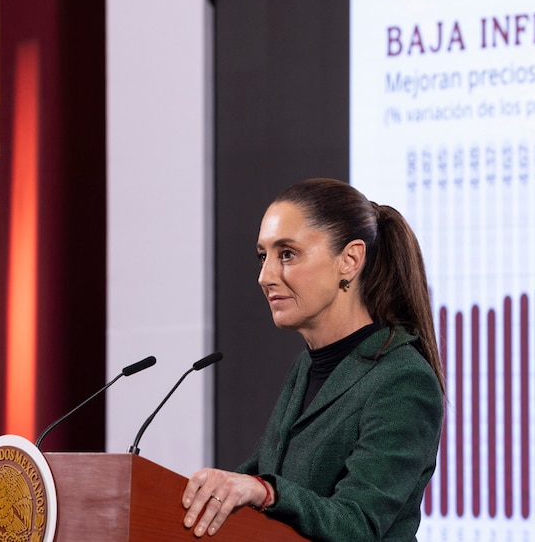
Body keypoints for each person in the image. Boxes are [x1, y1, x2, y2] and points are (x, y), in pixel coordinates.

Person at [181, 178, 445, 540]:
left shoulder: (402, 380)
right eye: (263, 256)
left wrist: (265, 492)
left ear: (349, 260)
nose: (265, 276)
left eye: (286, 254)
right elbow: (254, 477)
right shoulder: (307, 367)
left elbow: (358, 525)